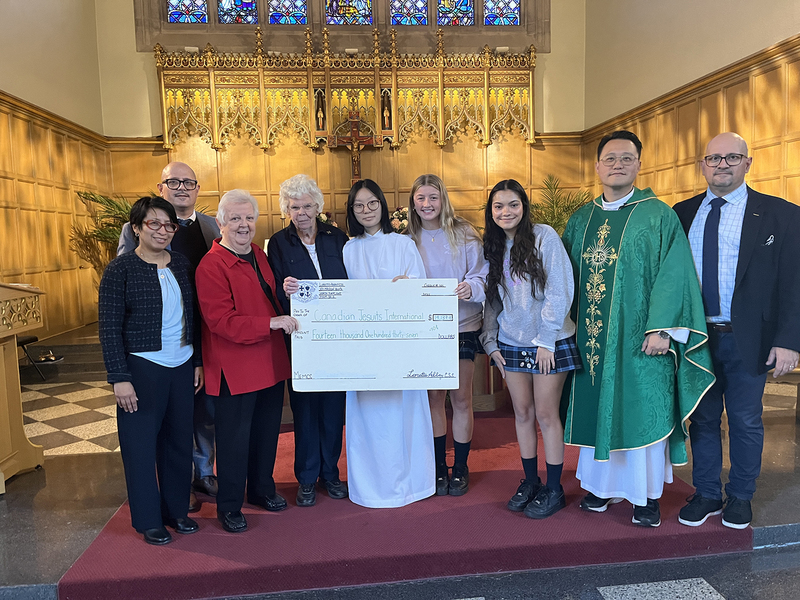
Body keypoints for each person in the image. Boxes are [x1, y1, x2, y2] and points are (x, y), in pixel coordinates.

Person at [561, 130, 715, 527]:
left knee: (641, 409)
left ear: (639, 165)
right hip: (591, 342)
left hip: (642, 341)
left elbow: (675, 274)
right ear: (597, 166)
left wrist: (662, 329)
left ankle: (645, 497)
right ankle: (601, 488)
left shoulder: (658, 216)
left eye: (626, 158)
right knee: (600, 412)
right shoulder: (581, 219)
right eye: (610, 158)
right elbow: (560, 278)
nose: (617, 165)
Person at [674, 132, 800, 529]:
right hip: (696, 339)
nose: (722, 164)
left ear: (748, 162)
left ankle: (741, 495)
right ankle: (708, 492)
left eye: (731, 157)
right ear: (703, 165)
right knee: (703, 419)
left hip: (751, 338)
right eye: (713, 158)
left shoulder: (781, 214)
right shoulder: (682, 213)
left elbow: (794, 282)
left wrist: (789, 341)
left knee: (745, 420)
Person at [99, 196, 204, 545]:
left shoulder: (182, 264)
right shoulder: (120, 269)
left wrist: (198, 361)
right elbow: (109, 327)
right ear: (137, 227)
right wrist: (119, 378)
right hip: (142, 368)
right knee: (140, 446)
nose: (162, 231)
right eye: (153, 224)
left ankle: (176, 511)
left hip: (182, 364)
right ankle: (148, 519)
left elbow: (194, 316)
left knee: (177, 444)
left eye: (169, 225)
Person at [118, 161, 221, 511]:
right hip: (151, 348)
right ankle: (173, 488)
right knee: (163, 424)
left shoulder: (211, 226)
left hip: (196, 337)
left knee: (200, 410)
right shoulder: (131, 243)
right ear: (160, 188)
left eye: (188, 182)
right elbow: (123, 295)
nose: (181, 187)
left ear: (197, 188)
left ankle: (203, 472)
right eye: (173, 182)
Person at [195, 190, 298, 533]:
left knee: (267, 434)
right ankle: (228, 506)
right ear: (220, 223)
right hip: (236, 368)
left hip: (268, 361)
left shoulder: (257, 253)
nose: (243, 225)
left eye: (249, 218)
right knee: (234, 440)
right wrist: (269, 324)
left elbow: (265, 296)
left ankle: (261, 489)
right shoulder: (211, 265)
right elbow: (220, 321)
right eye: (235, 218)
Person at [479, 179, 579, 519]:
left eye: (512, 205)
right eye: (498, 206)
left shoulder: (544, 236)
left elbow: (560, 287)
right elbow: (492, 300)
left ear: (524, 206)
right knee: (521, 414)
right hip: (510, 342)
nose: (506, 212)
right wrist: (491, 342)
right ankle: (531, 481)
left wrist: (547, 338)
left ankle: (554, 488)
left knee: (546, 415)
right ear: (491, 212)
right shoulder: (492, 245)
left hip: (548, 343)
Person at [342, 179, 436, 508]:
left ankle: (412, 484)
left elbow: (422, 289)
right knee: (368, 417)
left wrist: (407, 285)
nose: (366, 211)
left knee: (403, 414)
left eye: (372, 203)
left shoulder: (403, 245)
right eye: (359, 206)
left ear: (382, 205)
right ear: (351, 211)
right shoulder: (348, 249)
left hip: (401, 344)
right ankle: (370, 486)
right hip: (364, 348)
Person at [267, 174, 349, 508]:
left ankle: (331, 474)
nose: (301, 212)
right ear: (286, 209)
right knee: (305, 411)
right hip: (300, 340)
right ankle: (306, 478)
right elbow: (270, 288)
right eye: (294, 206)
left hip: (336, 339)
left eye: (307, 206)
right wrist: (282, 289)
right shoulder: (278, 242)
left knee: (333, 410)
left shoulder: (338, 238)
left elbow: (353, 282)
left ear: (318, 207)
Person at [406, 174, 488, 496]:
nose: (427, 204)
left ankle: (461, 467)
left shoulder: (464, 233)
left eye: (433, 198)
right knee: (433, 398)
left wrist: (472, 286)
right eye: (421, 198)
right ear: (413, 202)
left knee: (462, 398)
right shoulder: (406, 238)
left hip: (461, 324)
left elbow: (481, 272)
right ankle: (439, 467)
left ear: (443, 200)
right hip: (425, 328)